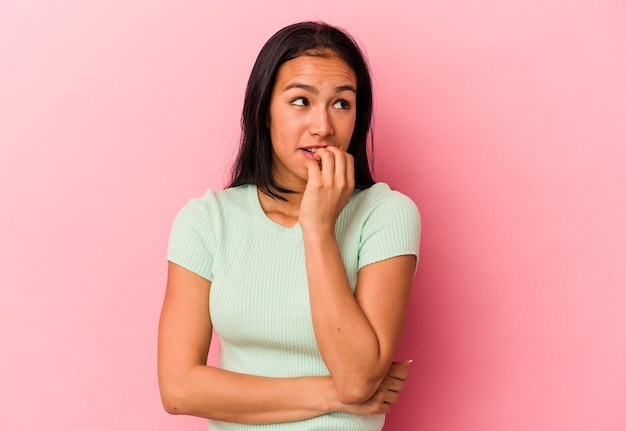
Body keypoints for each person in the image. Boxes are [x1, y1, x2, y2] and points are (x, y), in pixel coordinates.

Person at [157, 21, 421, 431]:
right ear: (263, 111)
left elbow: (356, 377)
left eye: (341, 103)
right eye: (301, 101)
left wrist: (317, 230)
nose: (323, 127)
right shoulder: (208, 220)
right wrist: (330, 394)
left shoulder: (385, 214)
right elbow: (179, 389)